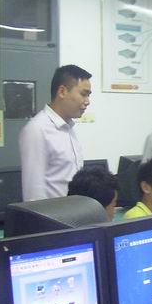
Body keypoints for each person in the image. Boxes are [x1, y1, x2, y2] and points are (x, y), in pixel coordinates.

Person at [19, 64, 92, 201]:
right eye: (83, 94)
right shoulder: (37, 129)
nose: (87, 102)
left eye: (88, 95)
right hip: (54, 214)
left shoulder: (68, 128)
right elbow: (33, 193)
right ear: (62, 92)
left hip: (75, 211)